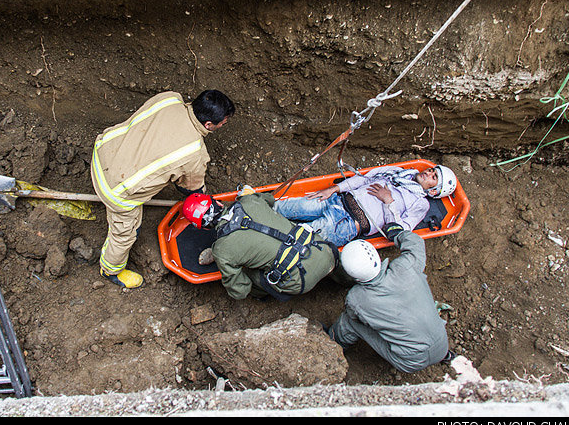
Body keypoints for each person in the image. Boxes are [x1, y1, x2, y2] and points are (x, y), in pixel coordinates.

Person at [90, 89, 235, 289]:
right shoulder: (194, 153)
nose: (222, 125)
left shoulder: (170, 98)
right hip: (114, 189)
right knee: (125, 233)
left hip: (103, 151)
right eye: (222, 123)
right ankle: (111, 270)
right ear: (209, 125)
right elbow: (192, 191)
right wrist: (207, 204)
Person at [327, 223, 453, 373]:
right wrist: (398, 234)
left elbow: (355, 316)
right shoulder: (405, 266)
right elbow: (416, 243)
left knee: (349, 322)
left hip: (410, 362)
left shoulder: (357, 299)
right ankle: (447, 357)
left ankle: (331, 344)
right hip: (442, 344)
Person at [182, 188, 347, 301]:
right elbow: (270, 199)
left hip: (301, 281)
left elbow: (240, 291)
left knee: (249, 271)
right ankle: (345, 281)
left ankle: (263, 295)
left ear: (203, 227)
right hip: (324, 250)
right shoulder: (249, 200)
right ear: (218, 203)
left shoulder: (222, 250)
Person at [273, 164, 457, 247]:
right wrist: (333, 189)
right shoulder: (398, 172)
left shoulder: (420, 204)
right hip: (336, 200)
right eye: (432, 170)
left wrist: (388, 200)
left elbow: (401, 231)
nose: (429, 173)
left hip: (347, 224)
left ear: (434, 191)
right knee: (282, 207)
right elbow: (364, 179)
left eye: (434, 178)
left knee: (292, 239)